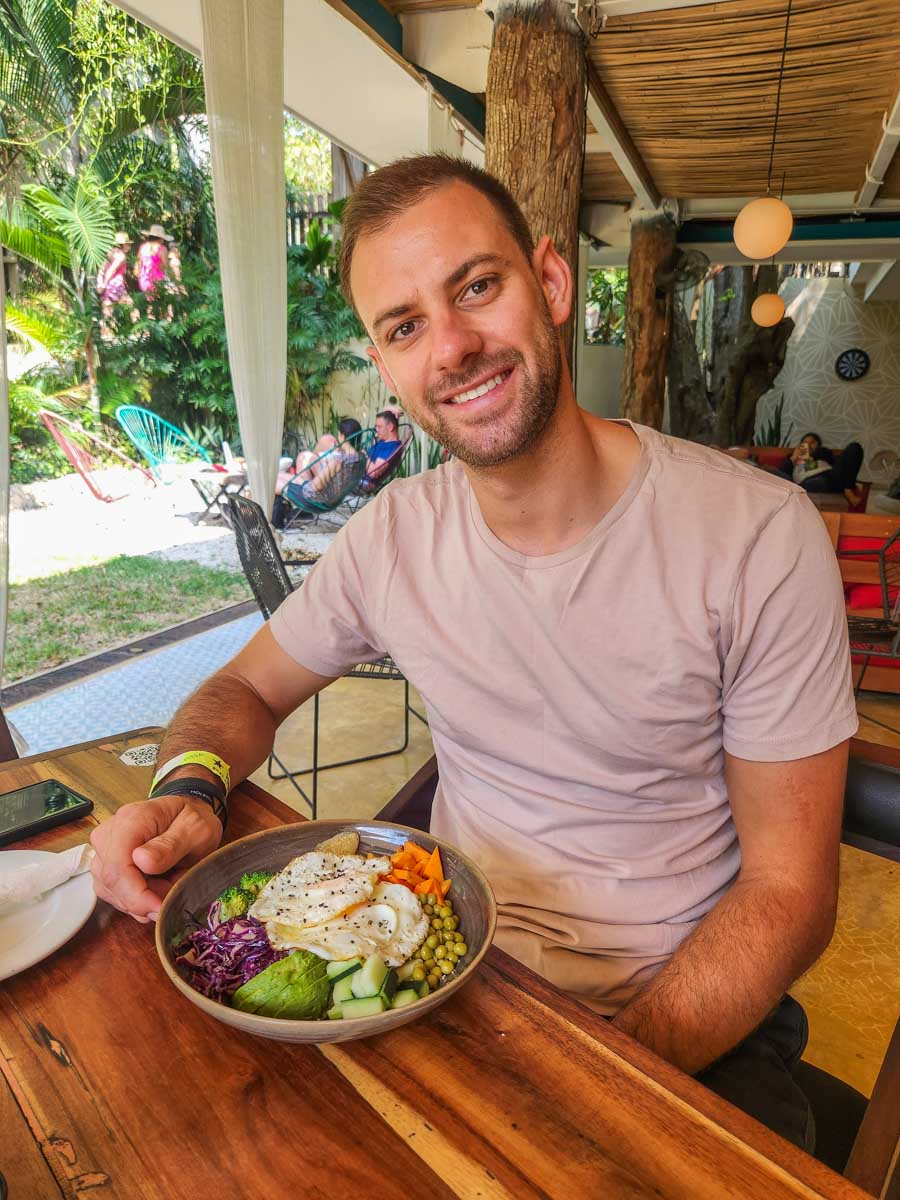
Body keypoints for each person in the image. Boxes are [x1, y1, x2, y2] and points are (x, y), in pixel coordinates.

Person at [91, 155, 855, 1152]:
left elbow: (791, 893)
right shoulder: (396, 534)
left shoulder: (757, 535)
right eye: (404, 327)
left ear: (550, 280)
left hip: (679, 1008)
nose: (451, 346)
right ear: (388, 363)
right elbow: (242, 685)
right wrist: (190, 791)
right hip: (432, 973)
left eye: (477, 287)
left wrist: (594, 1075)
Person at [272, 418, 362, 527]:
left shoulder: (338, 461)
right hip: (329, 497)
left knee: (271, 482)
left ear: (342, 436)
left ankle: (269, 518)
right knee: (278, 476)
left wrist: (325, 467)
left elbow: (315, 487)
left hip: (315, 499)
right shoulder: (361, 458)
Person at [777, 433, 864, 506]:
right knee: (811, 483)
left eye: (812, 443)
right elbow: (781, 474)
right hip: (808, 482)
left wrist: (815, 454)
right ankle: (847, 488)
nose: (808, 445)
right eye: (805, 443)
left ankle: (848, 489)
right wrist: (794, 457)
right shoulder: (793, 458)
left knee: (854, 447)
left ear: (818, 444)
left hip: (830, 477)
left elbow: (841, 466)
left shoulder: (824, 454)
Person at [96, 232, 137, 334]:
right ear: (121, 244)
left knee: (107, 310)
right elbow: (112, 270)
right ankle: (139, 332)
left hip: (110, 286)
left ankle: (106, 334)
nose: (129, 246)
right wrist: (104, 283)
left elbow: (102, 268)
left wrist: (101, 282)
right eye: (127, 244)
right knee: (132, 306)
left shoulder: (111, 253)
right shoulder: (121, 256)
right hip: (116, 286)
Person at [358, 409, 404, 492]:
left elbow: (373, 473)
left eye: (379, 427)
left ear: (390, 427)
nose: (376, 430)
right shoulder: (383, 441)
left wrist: (364, 455)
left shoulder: (392, 448)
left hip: (363, 483)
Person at [135, 223, 173, 316]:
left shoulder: (143, 247)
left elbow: (138, 263)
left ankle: (150, 324)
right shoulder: (162, 248)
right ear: (161, 238)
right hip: (158, 281)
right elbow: (165, 266)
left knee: (150, 305)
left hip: (144, 280)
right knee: (161, 305)